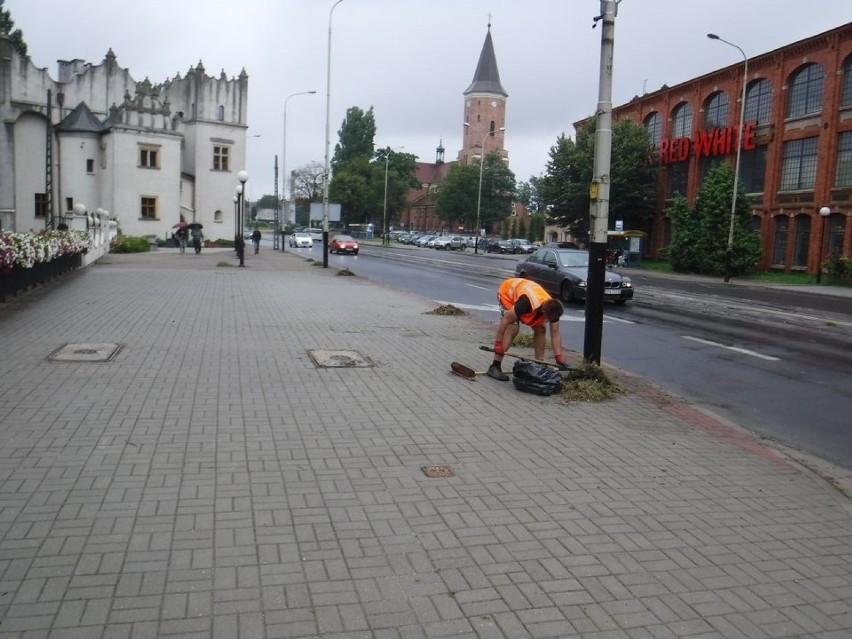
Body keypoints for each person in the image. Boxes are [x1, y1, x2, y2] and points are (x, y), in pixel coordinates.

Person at [488, 277, 567, 381]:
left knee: (541, 329)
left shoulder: (553, 308)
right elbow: (505, 321)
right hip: (507, 294)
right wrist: (498, 343)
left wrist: (558, 356)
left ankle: (539, 364)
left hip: (526, 295)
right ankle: (495, 366)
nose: (548, 321)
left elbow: (555, 334)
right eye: (547, 319)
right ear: (544, 312)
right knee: (512, 328)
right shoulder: (526, 303)